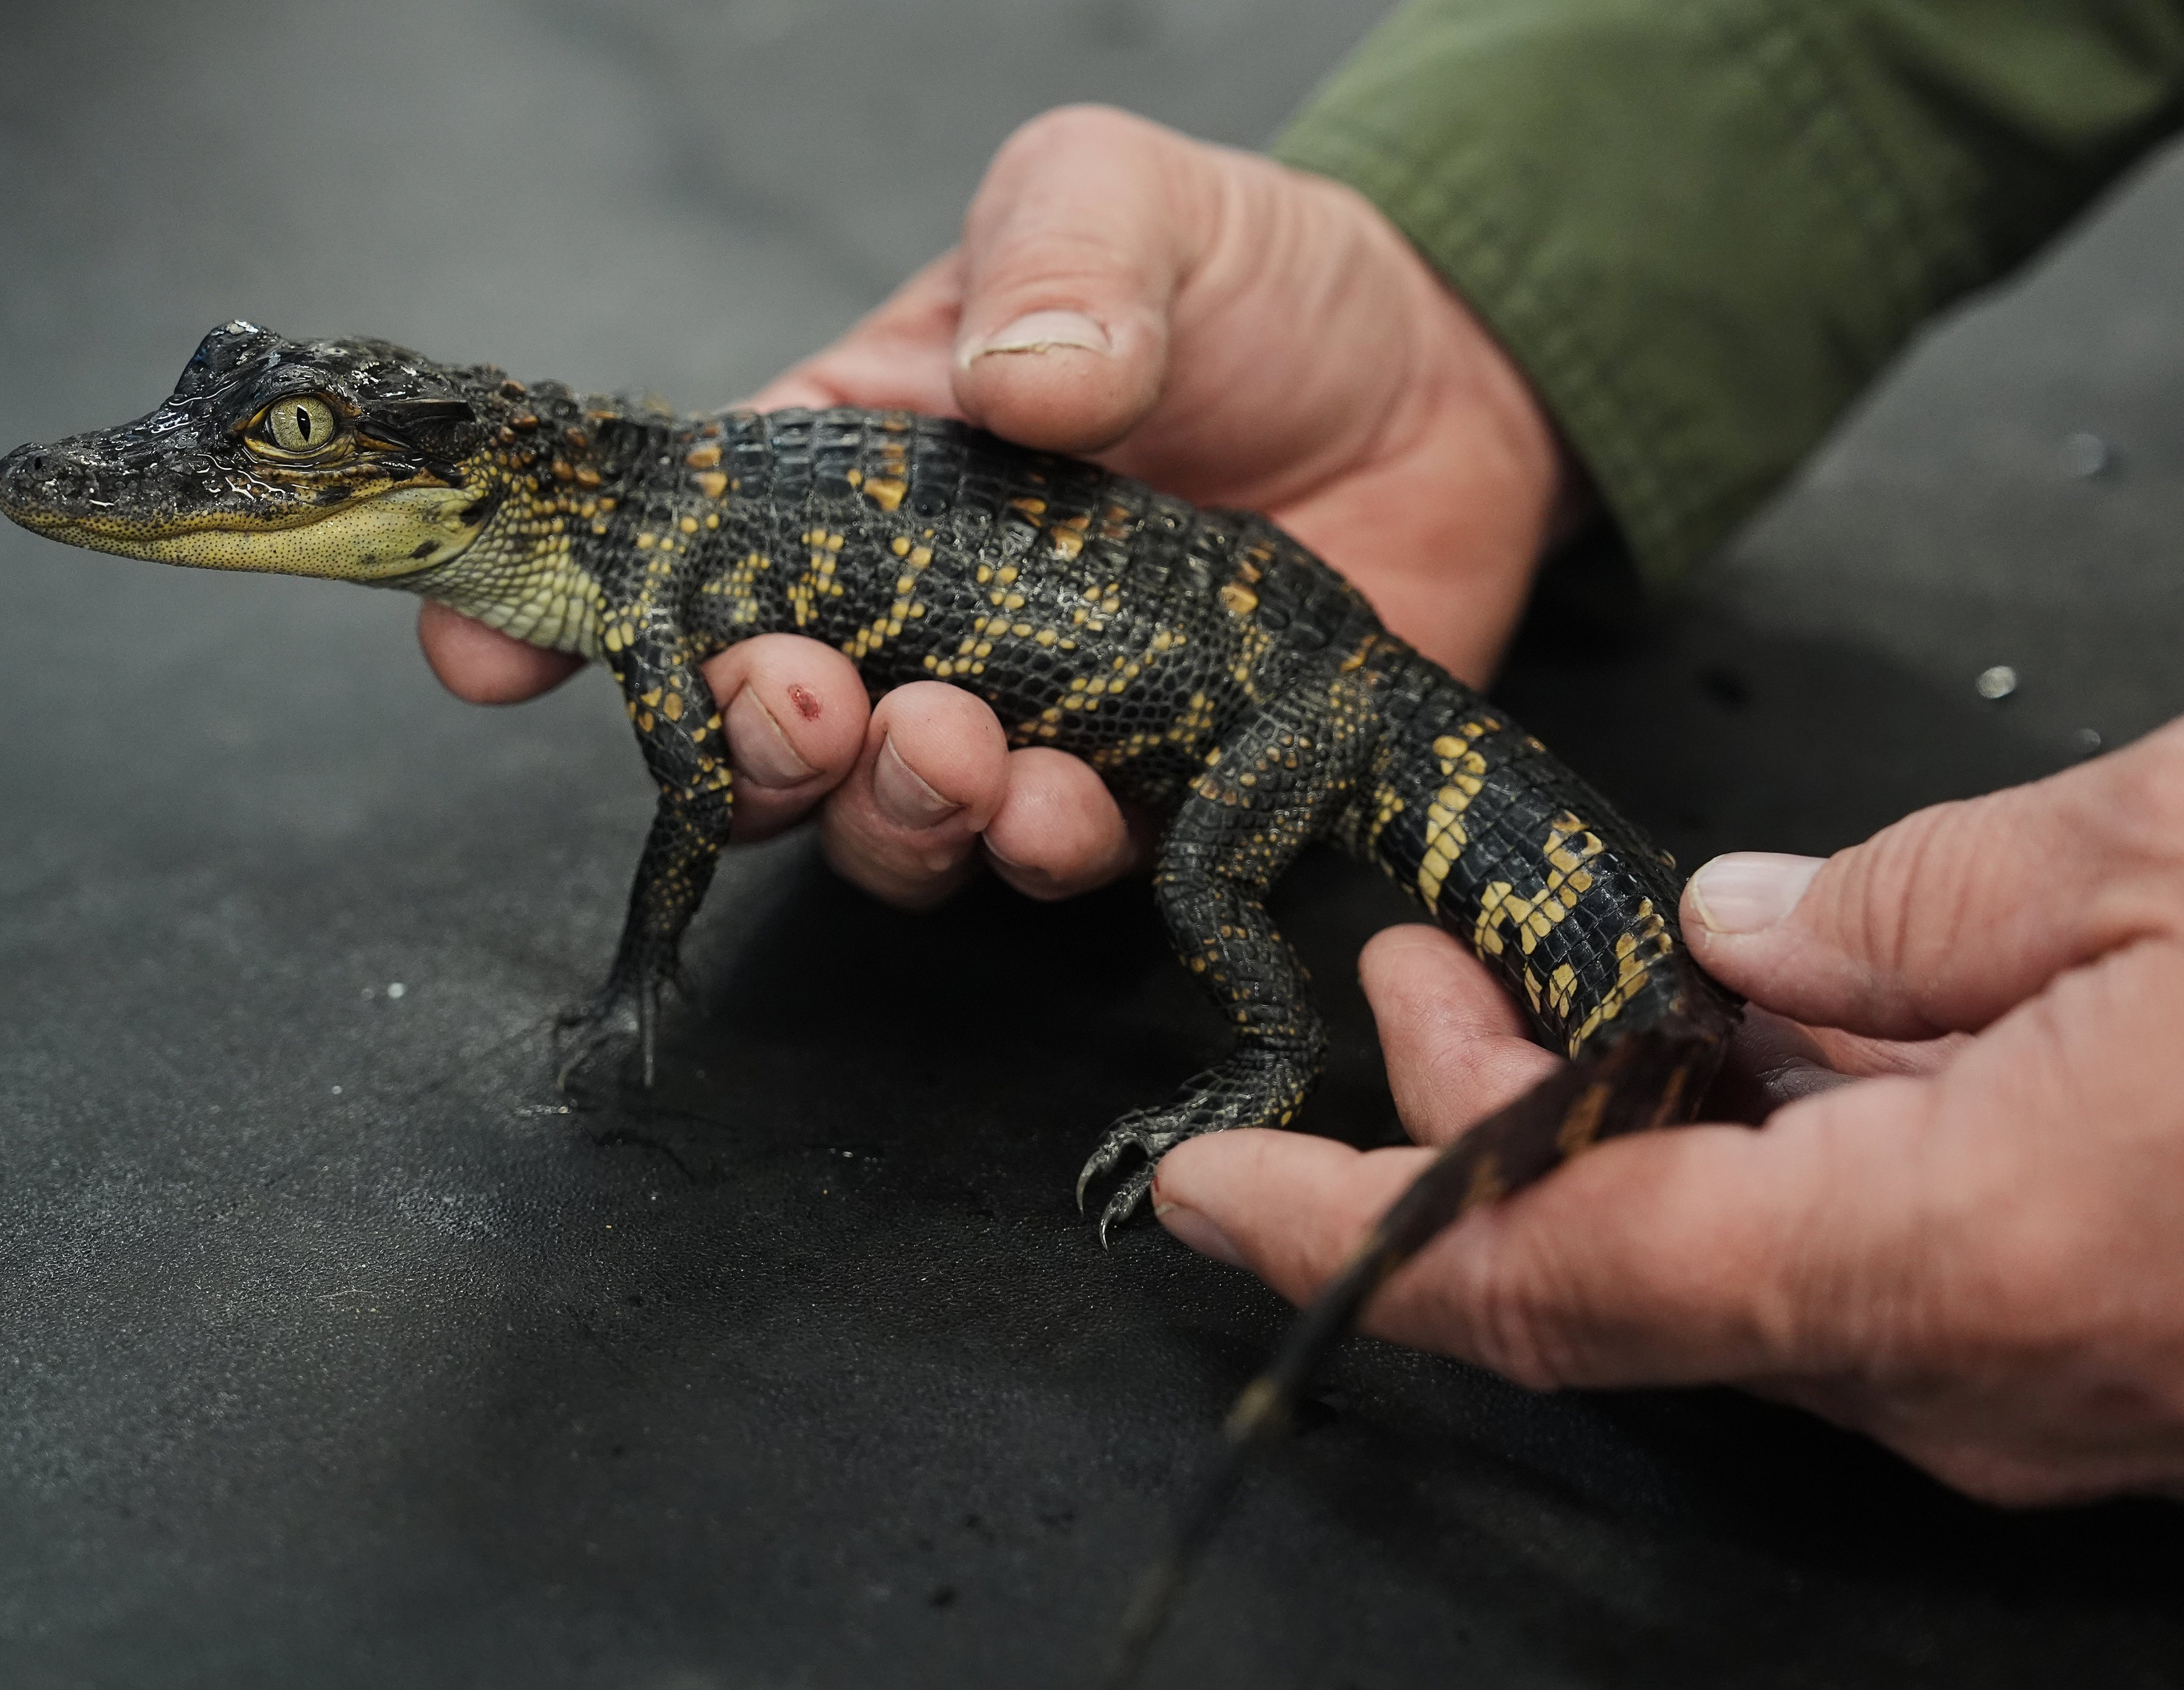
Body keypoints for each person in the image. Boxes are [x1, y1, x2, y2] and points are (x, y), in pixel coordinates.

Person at [421, 0, 2184, 1504]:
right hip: (1292, 635)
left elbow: (701, 781)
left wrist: (643, 968)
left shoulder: (657, 538)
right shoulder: (658, 523)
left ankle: (1266, 1050)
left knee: (1194, 860)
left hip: (1305, 698)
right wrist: (1469, 326)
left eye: (288, 440)